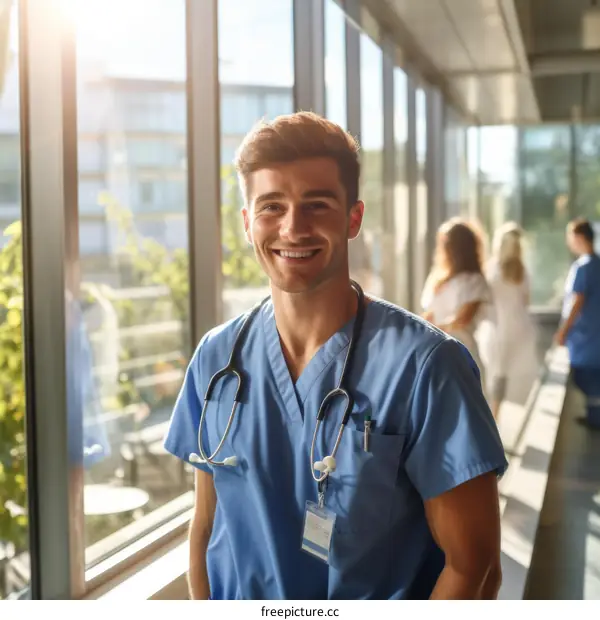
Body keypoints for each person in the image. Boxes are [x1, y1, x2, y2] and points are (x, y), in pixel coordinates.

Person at [163, 112, 507, 600]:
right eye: (271, 207)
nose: (292, 228)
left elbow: (474, 568)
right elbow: (204, 526)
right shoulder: (218, 359)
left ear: (353, 217)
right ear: (246, 223)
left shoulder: (427, 367)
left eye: (317, 205)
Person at [478, 223, 537, 421]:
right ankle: (495, 415)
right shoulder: (523, 272)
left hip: (496, 330)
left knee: (494, 374)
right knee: (506, 377)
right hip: (518, 329)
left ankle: (490, 417)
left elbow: (485, 300)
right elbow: (525, 302)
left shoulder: (490, 269)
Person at [420, 218, 491, 382]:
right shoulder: (438, 279)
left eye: (446, 243)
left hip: (461, 351)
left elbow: (463, 319)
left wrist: (434, 328)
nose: (442, 248)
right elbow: (429, 314)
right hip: (434, 351)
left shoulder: (474, 281)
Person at [555, 218, 600, 429]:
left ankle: (595, 417)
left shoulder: (583, 267)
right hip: (593, 332)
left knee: (587, 377)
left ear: (580, 237)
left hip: (586, 334)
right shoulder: (595, 265)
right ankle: (594, 415)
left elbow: (577, 300)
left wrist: (564, 330)